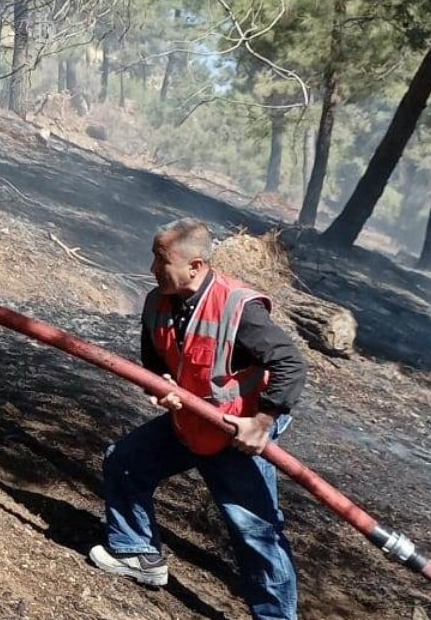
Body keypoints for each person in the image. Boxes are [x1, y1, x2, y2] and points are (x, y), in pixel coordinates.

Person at [88, 218, 307, 620]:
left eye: (161, 259)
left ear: (196, 265)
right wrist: (162, 385)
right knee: (125, 462)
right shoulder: (158, 302)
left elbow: (291, 364)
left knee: (256, 531)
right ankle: (137, 552)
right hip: (191, 421)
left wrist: (261, 424)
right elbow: (154, 362)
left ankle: (276, 617)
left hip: (238, 431)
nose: (153, 269)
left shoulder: (239, 307)